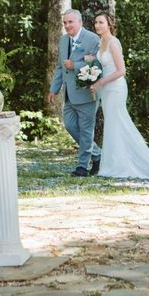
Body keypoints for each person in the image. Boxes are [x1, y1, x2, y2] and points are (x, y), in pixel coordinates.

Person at [88, 12, 149, 179]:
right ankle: (114, 164)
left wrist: (99, 82)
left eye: (101, 22)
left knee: (118, 122)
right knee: (112, 125)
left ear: (109, 24)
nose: (97, 25)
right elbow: (103, 65)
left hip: (115, 88)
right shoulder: (101, 43)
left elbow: (121, 71)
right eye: (96, 22)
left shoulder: (113, 43)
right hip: (106, 88)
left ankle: (126, 165)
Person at [48, 9, 101, 177]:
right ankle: (98, 155)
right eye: (65, 23)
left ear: (79, 22)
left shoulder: (92, 39)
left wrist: (76, 65)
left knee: (86, 131)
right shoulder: (64, 40)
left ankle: (82, 167)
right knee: (70, 126)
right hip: (69, 94)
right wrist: (53, 89)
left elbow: (99, 65)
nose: (67, 25)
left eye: (70, 22)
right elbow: (60, 67)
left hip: (87, 93)